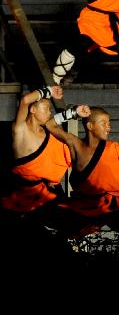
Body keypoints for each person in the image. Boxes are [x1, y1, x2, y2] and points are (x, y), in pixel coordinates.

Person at [59, 107, 119, 236]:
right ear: (90, 125)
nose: (108, 127)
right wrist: (73, 112)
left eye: (109, 123)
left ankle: (97, 222)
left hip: (112, 206)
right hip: (84, 206)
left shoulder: (113, 149)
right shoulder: (75, 145)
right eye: (103, 123)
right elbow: (50, 125)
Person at [0, 85, 88, 231]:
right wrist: (49, 91)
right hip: (24, 194)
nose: (49, 112)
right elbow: (25, 100)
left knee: (75, 223)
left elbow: (54, 121)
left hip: (48, 191)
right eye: (46, 108)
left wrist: (75, 112)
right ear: (33, 110)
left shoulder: (46, 127)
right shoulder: (20, 130)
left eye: (49, 109)